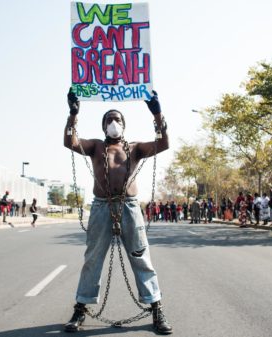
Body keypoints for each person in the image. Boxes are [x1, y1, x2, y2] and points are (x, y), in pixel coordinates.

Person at [63, 89, 172, 334]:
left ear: (124, 125)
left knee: (141, 257)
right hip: (101, 207)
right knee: (93, 259)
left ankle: (156, 309)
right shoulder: (95, 147)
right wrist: (73, 115)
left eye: (118, 119)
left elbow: (163, 143)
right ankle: (80, 310)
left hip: (129, 207)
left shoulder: (135, 148)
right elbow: (69, 142)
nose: (114, 123)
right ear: (103, 126)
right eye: (109, 120)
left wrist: (157, 113)